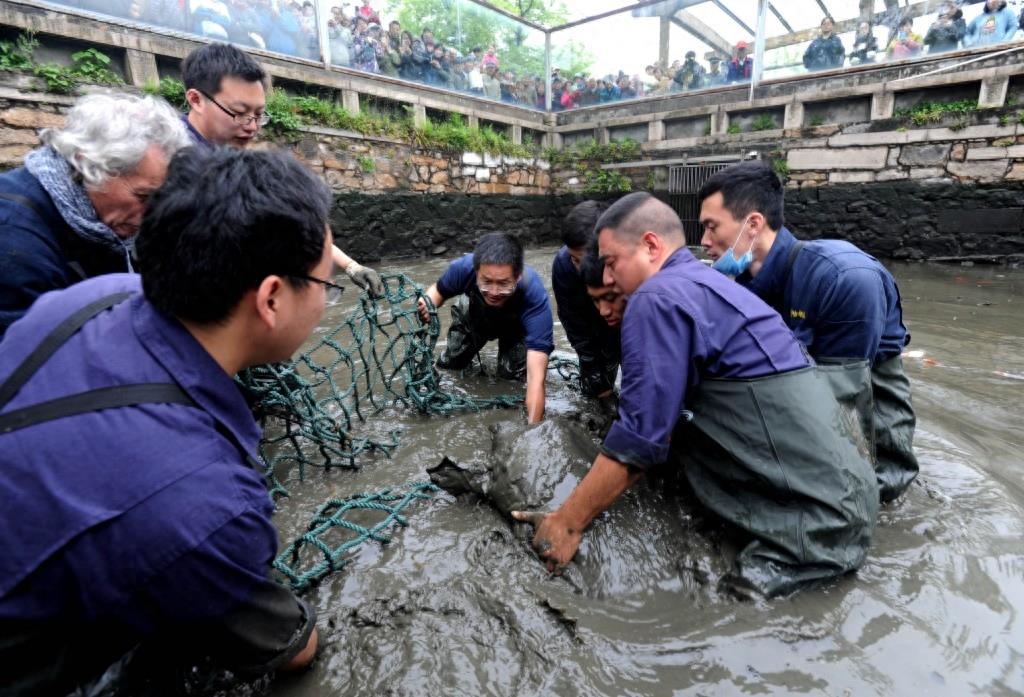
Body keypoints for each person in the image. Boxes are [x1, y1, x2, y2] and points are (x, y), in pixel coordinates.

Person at [0, 147, 327, 695]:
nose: (323, 302)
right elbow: (289, 650)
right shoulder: (208, 507)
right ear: (271, 298)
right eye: (323, 285)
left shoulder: (94, 296)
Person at [513, 193, 878, 598]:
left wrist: (566, 523)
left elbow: (639, 440)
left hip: (814, 532)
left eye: (612, 263)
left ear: (651, 246)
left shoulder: (654, 298)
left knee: (723, 607)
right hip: (847, 497)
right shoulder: (707, 281)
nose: (609, 278)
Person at [698, 161, 917, 503]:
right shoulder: (742, 283)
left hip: (864, 387)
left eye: (712, 228)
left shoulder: (844, 278)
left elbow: (846, 402)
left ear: (753, 224)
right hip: (800, 383)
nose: (704, 242)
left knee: (866, 490)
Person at [180, 43, 384, 296]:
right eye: (240, 113)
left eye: (259, 115)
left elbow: (288, 220)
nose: (252, 127)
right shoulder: (168, 161)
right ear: (196, 100)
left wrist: (351, 267)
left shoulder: (232, 160)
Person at [0, 93, 188, 340]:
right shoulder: (14, 238)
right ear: (88, 165)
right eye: (143, 197)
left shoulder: (96, 219)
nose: (153, 214)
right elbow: (24, 362)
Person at [416, 233, 553, 424]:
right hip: (472, 316)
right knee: (450, 365)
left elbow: (536, 380)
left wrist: (532, 430)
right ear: (476, 270)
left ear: (518, 275)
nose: (495, 292)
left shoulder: (535, 297)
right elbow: (436, 293)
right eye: (487, 282)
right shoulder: (462, 268)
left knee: (512, 381)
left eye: (504, 284)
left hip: (515, 329)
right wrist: (425, 305)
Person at [550, 201, 620, 403]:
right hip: (589, 322)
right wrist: (593, 371)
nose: (582, 268)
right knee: (596, 393)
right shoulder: (563, 265)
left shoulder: (627, 265)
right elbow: (572, 321)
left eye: (589, 259)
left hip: (622, 325)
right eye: (575, 259)